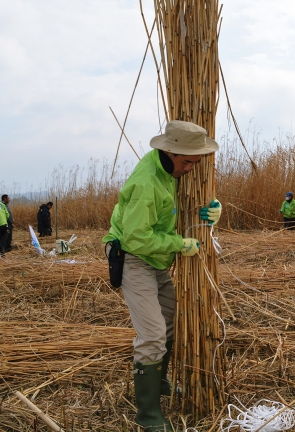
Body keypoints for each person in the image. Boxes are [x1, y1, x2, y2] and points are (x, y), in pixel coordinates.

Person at [102, 120, 221, 431]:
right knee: (153, 334)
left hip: (155, 259)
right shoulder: (146, 183)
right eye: (186, 162)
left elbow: (174, 209)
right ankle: (149, 415)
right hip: (134, 258)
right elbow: (135, 238)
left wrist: (208, 210)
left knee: (169, 321)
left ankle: (160, 383)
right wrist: (179, 244)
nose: (190, 169)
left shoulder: (171, 170)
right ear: (169, 152)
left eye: (196, 163)